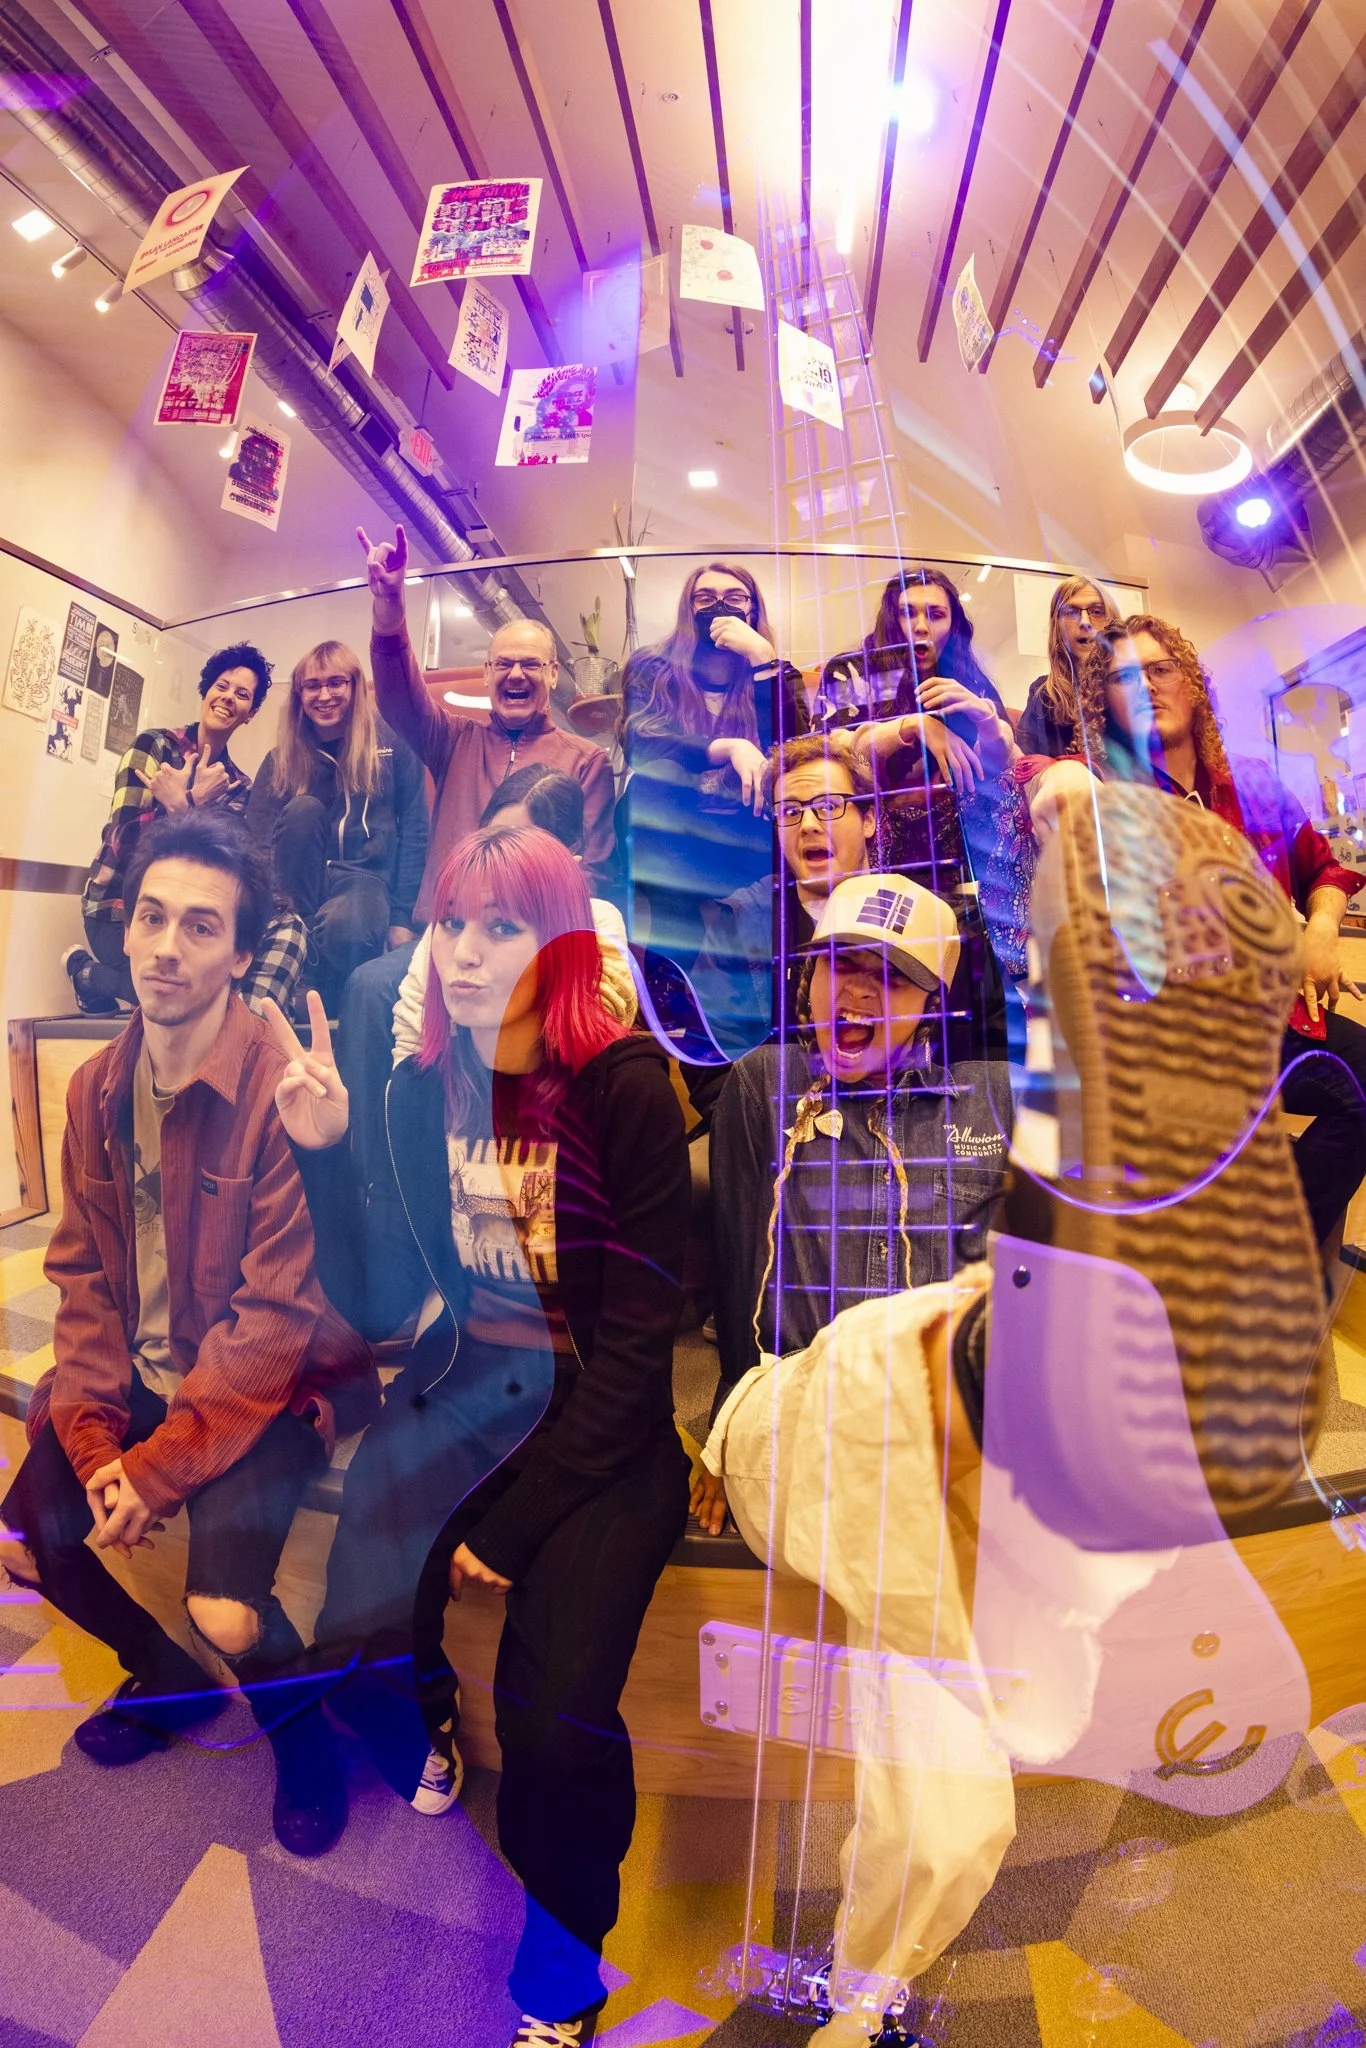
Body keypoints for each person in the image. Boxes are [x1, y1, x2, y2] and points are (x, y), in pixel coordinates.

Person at [268, 825, 691, 2048]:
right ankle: (430, 1715)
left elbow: (637, 1348)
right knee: (354, 1606)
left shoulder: (620, 1086)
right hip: (468, 1383)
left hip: (603, 1421)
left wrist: (510, 1524)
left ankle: (562, 1975)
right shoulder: (416, 1086)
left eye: (500, 925)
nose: (461, 950)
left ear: (556, 939)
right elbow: (382, 1294)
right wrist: (324, 1154)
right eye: (450, 921)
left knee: (558, 1719)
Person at [0, 812, 376, 1858]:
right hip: (155, 1377)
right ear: (125, 926)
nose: (167, 945)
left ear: (242, 952)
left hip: (285, 1380)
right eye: (152, 916)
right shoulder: (95, 1085)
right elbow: (77, 1276)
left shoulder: (278, 1087)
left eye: (202, 927)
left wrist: (151, 1470)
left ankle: (303, 1743)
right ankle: (161, 1679)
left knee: (225, 1607)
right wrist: (91, 1445)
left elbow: (270, 1326)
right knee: (31, 1537)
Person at [1027, 614, 1366, 1256]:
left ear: (1192, 685)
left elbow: (1323, 868)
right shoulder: (1105, 788)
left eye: (1160, 670)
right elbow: (1044, 778)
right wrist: (1055, 777)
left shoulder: (1252, 783)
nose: (1148, 687)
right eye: (1127, 678)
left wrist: (1320, 929)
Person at [338, 524, 618, 1177]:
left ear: (553, 674)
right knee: (364, 989)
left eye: (531, 664)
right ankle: (376, 1170)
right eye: (503, 664)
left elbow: (595, 872)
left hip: (531, 944)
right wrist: (387, 610)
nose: (516, 674)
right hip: (444, 939)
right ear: (488, 674)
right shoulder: (453, 741)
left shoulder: (584, 762)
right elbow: (402, 696)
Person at [702, 870, 1012, 1440]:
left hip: (944, 1430)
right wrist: (732, 1426)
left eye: (892, 976)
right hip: (800, 1425)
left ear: (932, 1004)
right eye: (841, 963)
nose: (860, 991)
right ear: (809, 974)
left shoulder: (994, 1101)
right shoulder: (764, 1087)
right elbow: (738, 1275)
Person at [65, 642, 308, 1018]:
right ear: (207, 689)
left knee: (228, 975)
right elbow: (125, 842)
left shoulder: (238, 785)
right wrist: (189, 805)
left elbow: (220, 867)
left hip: (193, 916)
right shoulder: (154, 745)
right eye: (222, 686)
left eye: (242, 695)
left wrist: (180, 805)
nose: (228, 698)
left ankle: (248, 1033)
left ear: (252, 712)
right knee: (186, 994)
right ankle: (88, 973)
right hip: (120, 913)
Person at [615, 561, 809, 988]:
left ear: (754, 610)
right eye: (705, 598)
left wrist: (763, 660)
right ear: (688, 608)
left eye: (735, 598)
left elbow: (797, 749)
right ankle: (673, 982)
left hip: (746, 838)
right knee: (652, 782)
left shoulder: (773, 670)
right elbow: (640, 743)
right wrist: (727, 747)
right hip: (673, 844)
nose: (720, 606)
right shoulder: (653, 666)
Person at [245, 638, 428, 1017]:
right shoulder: (279, 760)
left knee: (352, 925)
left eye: (335, 683)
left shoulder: (393, 744)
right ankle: (299, 968)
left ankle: (322, 999)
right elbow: (258, 842)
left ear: (355, 686)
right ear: (299, 694)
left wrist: (402, 918)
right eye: (313, 685)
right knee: (304, 810)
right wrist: (264, 914)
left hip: (364, 879)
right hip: (293, 890)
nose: (324, 695)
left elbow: (415, 833)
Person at [691, 731, 877, 1054]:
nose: (807, 825)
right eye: (789, 811)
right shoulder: (736, 922)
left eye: (828, 805)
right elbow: (712, 1059)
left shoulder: (927, 920)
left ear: (869, 820)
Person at [1014, 574, 1122, 759]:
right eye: (1071, 612)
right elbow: (1027, 766)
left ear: (1113, 622)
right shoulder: (1043, 694)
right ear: (1058, 627)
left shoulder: (1135, 685)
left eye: (1097, 611)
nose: (1085, 622)